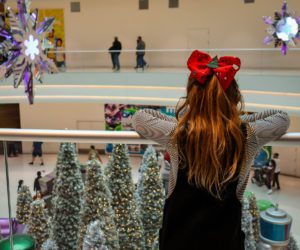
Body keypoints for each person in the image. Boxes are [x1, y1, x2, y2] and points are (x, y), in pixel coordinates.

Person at [131, 50, 290, 249]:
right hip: (225, 241)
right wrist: (230, 124)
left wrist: (192, 122)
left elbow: (139, 118)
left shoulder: (177, 134)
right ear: (234, 97)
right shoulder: (246, 135)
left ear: (192, 97)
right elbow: (281, 118)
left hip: (178, 241)